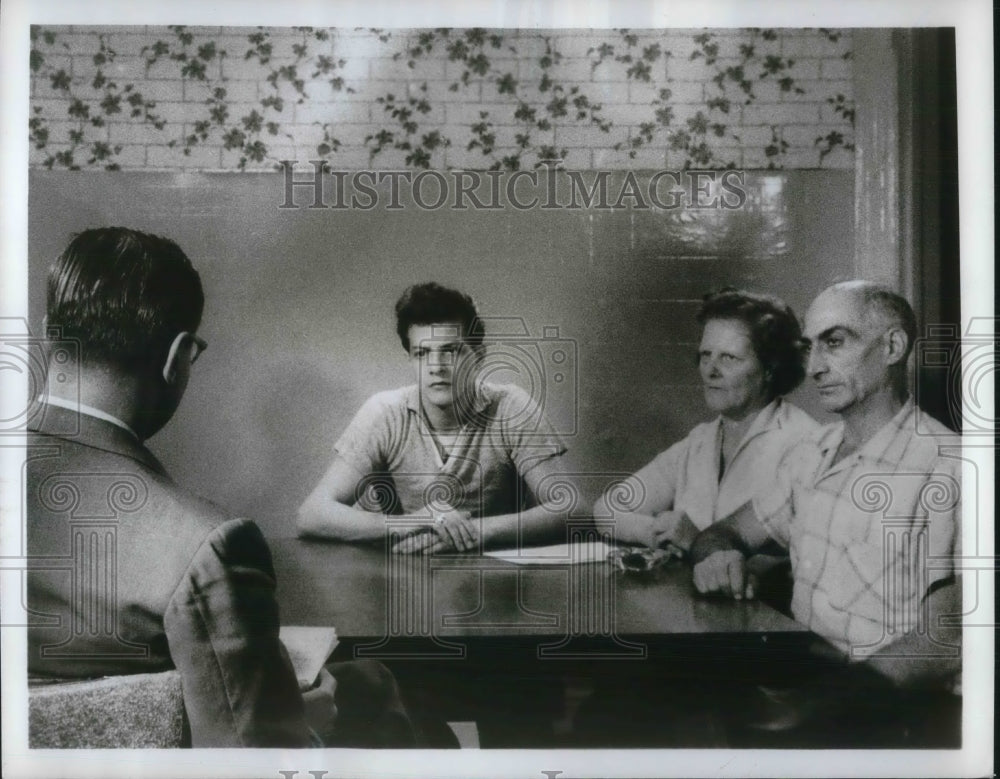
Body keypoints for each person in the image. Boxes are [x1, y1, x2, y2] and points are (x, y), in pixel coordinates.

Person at [27, 227, 419, 748]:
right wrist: (307, 729)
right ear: (177, 357)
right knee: (370, 690)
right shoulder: (208, 545)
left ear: (53, 338)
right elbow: (251, 754)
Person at [690, 280, 962, 746]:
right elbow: (725, 532)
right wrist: (716, 555)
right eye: (808, 348)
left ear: (893, 346)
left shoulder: (949, 465)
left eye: (834, 343)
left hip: (888, 715)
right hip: (806, 682)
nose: (814, 367)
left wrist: (811, 706)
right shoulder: (812, 452)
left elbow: (945, 641)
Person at [297, 281, 572, 554]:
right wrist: (417, 521)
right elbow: (311, 515)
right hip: (403, 580)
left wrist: (471, 532)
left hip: (495, 581)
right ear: (410, 360)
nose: (436, 367)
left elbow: (572, 510)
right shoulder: (384, 412)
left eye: (450, 351)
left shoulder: (510, 407)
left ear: (479, 355)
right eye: (422, 353)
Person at [594, 288, 818, 558]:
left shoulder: (806, 443)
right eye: (705, 355)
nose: (710, 371)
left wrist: (696, 542)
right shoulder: (699, 441)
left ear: (770, 367)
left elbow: (807, 566)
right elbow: (606, 509)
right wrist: (655, 531)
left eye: (728, 358)